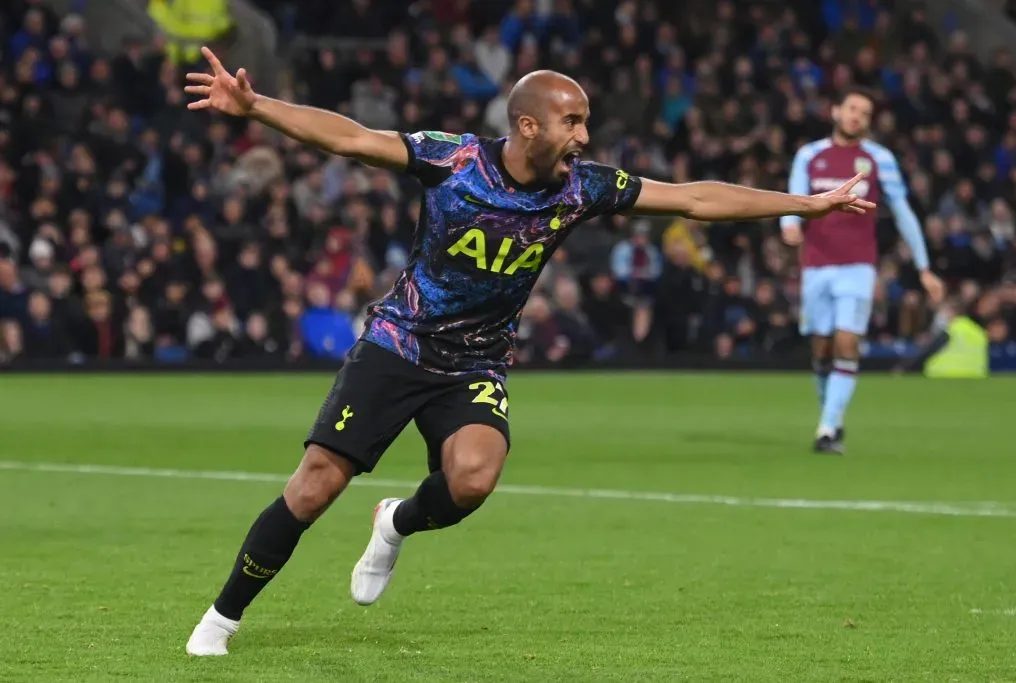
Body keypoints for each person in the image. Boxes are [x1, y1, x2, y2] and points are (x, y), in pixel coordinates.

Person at [183, 46, 874, 656]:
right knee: (315, 487)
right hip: (399, 344)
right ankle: (221, 616)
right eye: (572, 121)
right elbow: (353, 139)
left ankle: (395, 520)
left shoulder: (583, 187)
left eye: (585, 120)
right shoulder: (452, 159)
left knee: (473, 481)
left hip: (475, 362)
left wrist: (801, 206)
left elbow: (693, 199)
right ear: (528, 125)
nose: (585, 133)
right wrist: (257, 107)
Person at [780, 87, 945, 455]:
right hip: (816, 266)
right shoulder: (810, 155)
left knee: (847, 341)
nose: (857, 116)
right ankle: (831, 419)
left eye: (865, 113)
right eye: (852, 108)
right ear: (836, 111)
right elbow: (793, 198)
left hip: (857, 266)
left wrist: (924, 267)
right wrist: (788, 224)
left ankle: (828, 427)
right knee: (821, 349)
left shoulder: (879, 159)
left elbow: (903, 212)